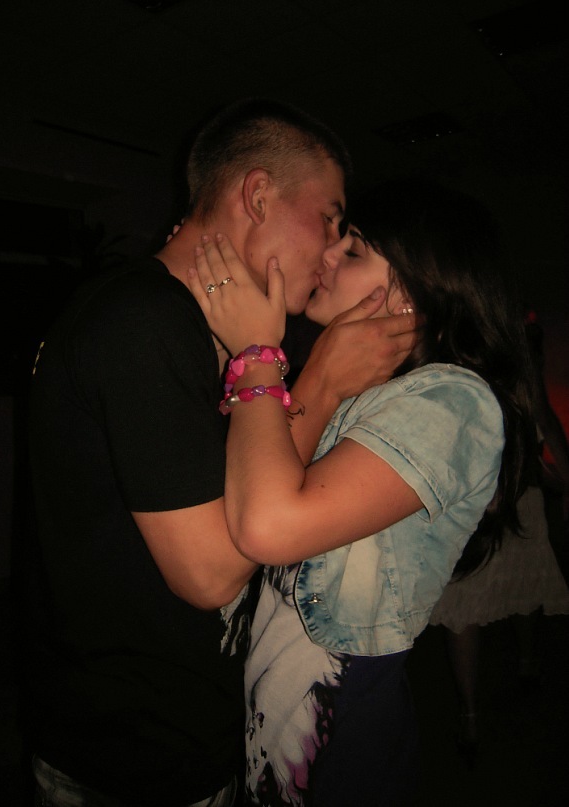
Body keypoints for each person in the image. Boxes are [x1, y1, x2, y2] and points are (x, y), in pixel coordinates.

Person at [19, 99, 416, 807]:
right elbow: (209, 574)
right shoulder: (141, 319)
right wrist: (319, 382)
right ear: (258, 195)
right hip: (132, 756)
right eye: (328, 219)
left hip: (197, 726)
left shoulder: (219, 330)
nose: (332, 249)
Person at [188, 178, 537, 806]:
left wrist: (257, 354)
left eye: (352, 251)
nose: (325, 255)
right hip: (272, 712)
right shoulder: (360, 387)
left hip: (340, 731)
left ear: (416, 291)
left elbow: (267, 527)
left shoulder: (452, 401)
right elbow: (244, 494)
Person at [428, 315, 569, 760]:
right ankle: (481, 705)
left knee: (514, 589)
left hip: (507, 501)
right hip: (477, 506)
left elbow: (545, 424)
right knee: (467, 603)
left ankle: (517, 672)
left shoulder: (490, 368)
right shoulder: (465, 366)